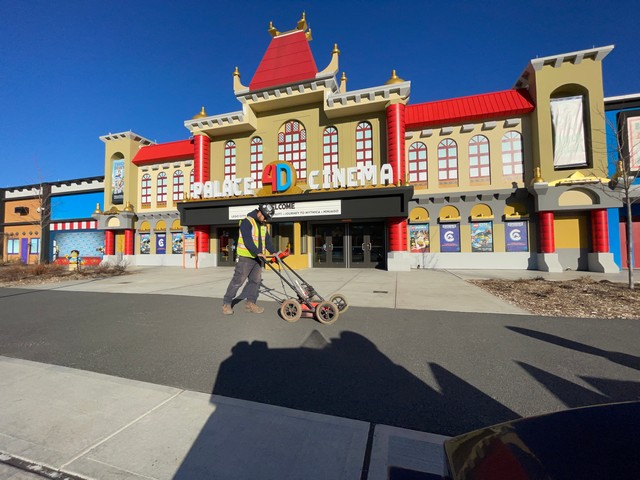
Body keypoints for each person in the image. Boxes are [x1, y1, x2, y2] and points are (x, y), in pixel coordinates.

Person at [222, 204, 277, 315]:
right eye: (265, 217)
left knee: (255, 281)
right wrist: (258, 252)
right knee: (238, 281)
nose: (266, 219)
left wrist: (274, 252)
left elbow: (267, 242)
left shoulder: (263, 226)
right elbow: (248, 240)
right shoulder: (247, 222)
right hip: (245, 257)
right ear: (260, 212)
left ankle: (250, 304)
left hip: (257, 258)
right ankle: (226, 303)